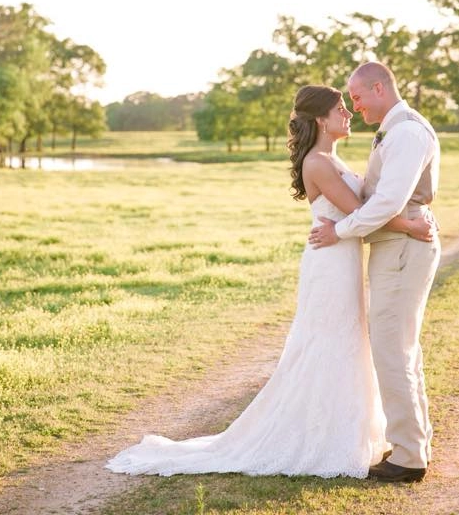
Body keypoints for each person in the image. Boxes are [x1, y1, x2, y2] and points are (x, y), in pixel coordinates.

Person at [105, 85, 433, 479]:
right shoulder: (319, 164)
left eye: (348, 106)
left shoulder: (332, 157)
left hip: (341, 256)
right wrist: (410, 226)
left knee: (347, 342)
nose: (348, 113)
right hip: (329, 262)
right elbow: (361, 211)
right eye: (340, 108)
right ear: (320, 120)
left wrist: (362, 227)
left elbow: (358, 213)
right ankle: (320, 437)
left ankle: (347, 430)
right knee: (328, 342)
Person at [309, 61, 441, 483]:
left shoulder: (406, 132)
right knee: (401, 348)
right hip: (396, 244)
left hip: (403, 246)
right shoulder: (395, 129)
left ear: (379, 87)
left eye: (359, 97)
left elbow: (387, 203)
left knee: (392, 349)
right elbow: (374, 194)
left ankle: (407, 457)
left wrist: (341, 231)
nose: (355, 105)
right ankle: (412, 446)